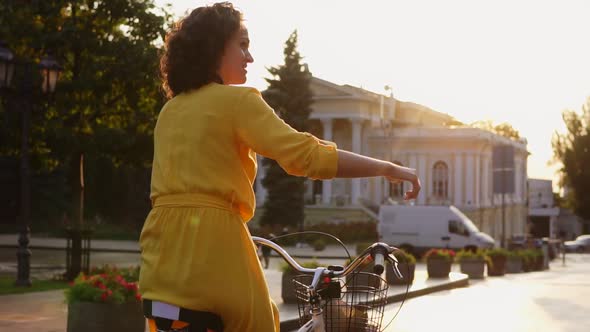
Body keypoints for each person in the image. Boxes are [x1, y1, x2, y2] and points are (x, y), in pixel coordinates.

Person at [138, 2, 421, 332]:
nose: (250, 57)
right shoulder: (238, 102)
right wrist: (387, 167)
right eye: (242, 44)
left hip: (160, 248)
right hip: (213, 243)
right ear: (215, 47)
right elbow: (307, 156)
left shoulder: (169, 111)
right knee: (262, 323)